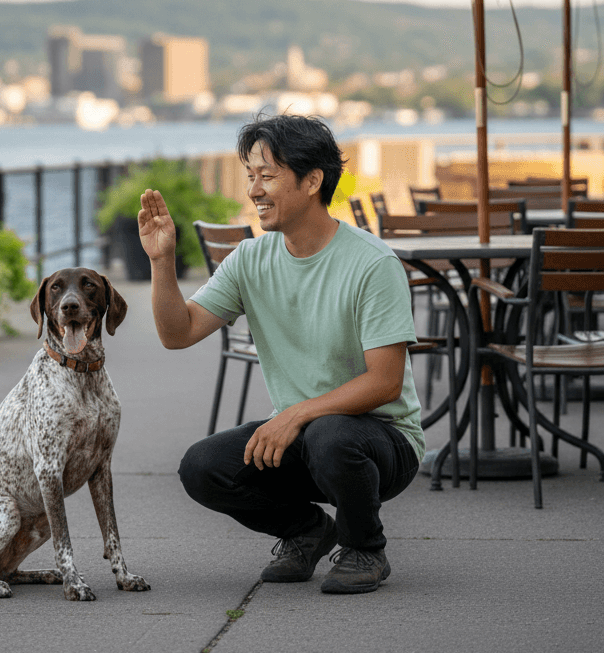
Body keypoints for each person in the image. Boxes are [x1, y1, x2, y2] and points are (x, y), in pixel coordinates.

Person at [138, 114, 422, 594]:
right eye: (251, 176)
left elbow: (385, 383)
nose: (254, 190)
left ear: (312, 181)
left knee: (331, 435)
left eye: (267, 176)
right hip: (305, 437)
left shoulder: (373, 264)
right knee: (202, 465)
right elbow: (178, 333)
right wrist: (162, 261)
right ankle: (307, 532)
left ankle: (364, 548)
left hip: (381, 440)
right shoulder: (251, 259)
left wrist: (295, 415)